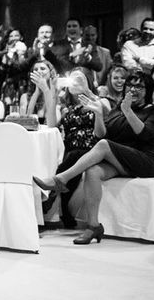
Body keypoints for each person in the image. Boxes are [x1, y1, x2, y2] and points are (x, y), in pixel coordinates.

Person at [35, 71, 154, 244]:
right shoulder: (118, 110)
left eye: (139, 86)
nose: (133, 90)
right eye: (131, 85)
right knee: (93, 171)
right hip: (124, 160)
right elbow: (102, 134)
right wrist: (98, 114)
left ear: (148, 90)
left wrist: (127, 111)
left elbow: (144, 134)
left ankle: (60, 179)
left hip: (148, 161)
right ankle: (93, 226)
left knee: (104, 145)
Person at [39, 68, 105, 228]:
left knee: (76, 156)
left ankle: (52, 195)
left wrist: (87, 91)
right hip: (71, 151)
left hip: (92, 150)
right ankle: (64, 209)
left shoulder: (98, 101)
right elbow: (51, 124)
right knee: (72, 157)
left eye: (80, 79)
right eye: (72, 79)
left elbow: (106, 116)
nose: (75, 82)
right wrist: (53, 93)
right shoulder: (66, 107)